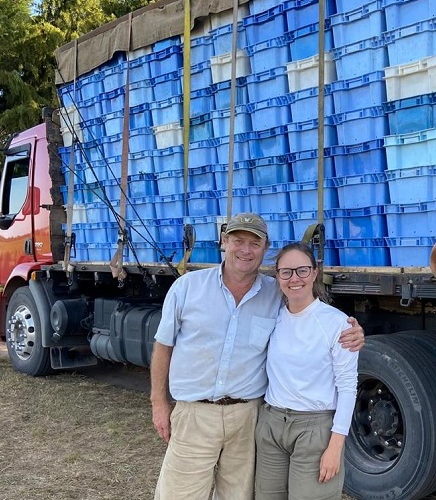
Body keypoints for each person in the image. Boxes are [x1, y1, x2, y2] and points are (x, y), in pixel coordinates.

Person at [150, 213, 364, 500]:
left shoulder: (274, 293)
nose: (245, 250)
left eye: (255, 243)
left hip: (247, 417)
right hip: (195, 414)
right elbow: (163, 346)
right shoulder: (188, 287)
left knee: (238, 496)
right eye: (238, 241)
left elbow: (308, 314)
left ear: (265, 248)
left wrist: (353, 331)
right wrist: (159, 403)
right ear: (224, 242)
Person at [254, 243, 358, 500]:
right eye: (286, 272)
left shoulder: (337, 323)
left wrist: (335, 446)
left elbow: (347, 388)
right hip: (271, 425)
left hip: (314, 429)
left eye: (302, 270)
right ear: (277, 277)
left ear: (314, 273)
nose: (294, 279)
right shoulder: (272, 317)